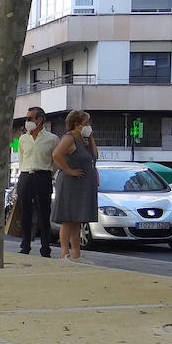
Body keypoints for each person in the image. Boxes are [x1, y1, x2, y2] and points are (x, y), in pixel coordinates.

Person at [51, 109, 99, 260]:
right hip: (71, 184)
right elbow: (56, 154)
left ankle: (76, 254)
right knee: (68, 219)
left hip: (82, 184)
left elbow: (95, 155)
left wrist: (90, 138)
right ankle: (64, 253)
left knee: (77, 220)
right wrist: (68, 170)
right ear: (77, 125)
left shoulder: (83, 140)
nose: (88, 126)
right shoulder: (69, 138)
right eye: (86, 123)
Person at [15, 106, 56, 257]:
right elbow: (21, 159)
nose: (27, 121)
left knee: (44, 214)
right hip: (25, 176)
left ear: (40, 120)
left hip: (42, 176)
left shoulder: (52, 139)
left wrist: (50, 175)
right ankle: (25, 245)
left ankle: (45, 248)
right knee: (25, 213)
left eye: (30, 118)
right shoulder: (23, 138)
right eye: (26, 118)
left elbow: (56, 160)